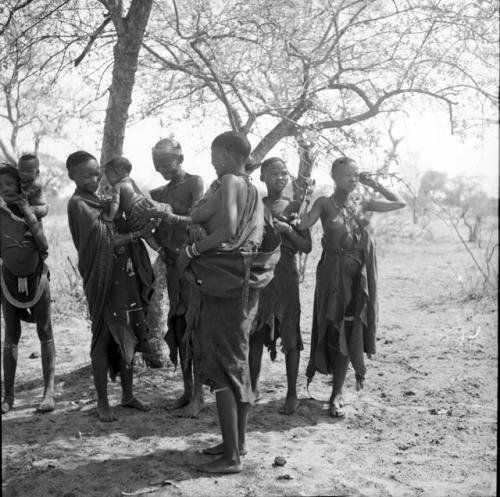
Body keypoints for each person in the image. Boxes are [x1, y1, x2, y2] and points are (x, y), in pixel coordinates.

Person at [177, 131, 279, 474]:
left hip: (227, 283)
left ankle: (232, 457)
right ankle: (236, 442)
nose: (211, 161)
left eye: (212, 154)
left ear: (223, 154)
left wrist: (190, 252)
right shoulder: (254, 189)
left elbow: (229, 231)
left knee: (225, 369)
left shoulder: (232, 181)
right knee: (236, 364)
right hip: (244, 281)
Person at [299, 156, 405, 418]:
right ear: (334, 177)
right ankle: (336, 389)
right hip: (331, 277)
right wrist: (304, 195)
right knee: (332, 329)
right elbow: (302, 224)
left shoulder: (363, 203)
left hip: (357, 278)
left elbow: (399, 202)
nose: (353, 179)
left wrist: (376, 184)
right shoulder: (324, 202)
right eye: (348, 175)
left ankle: (336, 394)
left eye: (357, 175)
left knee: (350, 329)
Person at [66, 151, 154, 422]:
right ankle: (102, 401)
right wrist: (137, 234)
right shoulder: (79, 204)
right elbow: (105, 243)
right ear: (73, 177)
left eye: (96, 173)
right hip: (103, 281)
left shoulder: (99, 199)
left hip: (125, 277)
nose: (94, 179)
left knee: (128, 330)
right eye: (86, 175)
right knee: (104, 338)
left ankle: (127, 395)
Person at [144, 138, 205, 416]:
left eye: (166, 164)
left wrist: (167, 216)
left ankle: (200, 395)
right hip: (171, 267)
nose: (162, 171)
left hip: (193, 265)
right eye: (157, 166)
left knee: (195, 325)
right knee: (179, 324)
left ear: (180, 159)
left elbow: (196, 218)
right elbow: (151, 229)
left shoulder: (195, 183)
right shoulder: (157, 191)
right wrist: (160, 247)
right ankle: (188, 389)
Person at [249, 157, 311, 415]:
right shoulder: (254, 206)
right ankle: (252, 388)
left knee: (290, 333)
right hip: (260, 273)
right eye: (274, 173)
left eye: (284, 173)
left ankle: (292, 394)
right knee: (255, 332)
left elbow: (306, 246)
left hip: (285, 275)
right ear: (262, 177)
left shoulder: (296, 206)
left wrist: (286, 230)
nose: (280, 178)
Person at [0, 165, 55, 414]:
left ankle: (49, 391)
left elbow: (43, 245)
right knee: (11, 335)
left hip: (38, 278)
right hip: (8, 281)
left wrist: (26, 213)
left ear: (20, 187)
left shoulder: (33, 211)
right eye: (0, 187)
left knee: (45, 331)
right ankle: (8, 396)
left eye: (9, 185)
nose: (5, 190)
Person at [102, 156, 161, 251]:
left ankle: (159, 249)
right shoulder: (131, 181)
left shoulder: (117, 186)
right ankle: (160, 249)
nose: (107, 179)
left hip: (135, 212)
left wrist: (110, 217)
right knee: (148, 231)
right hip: (146, 206)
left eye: (107, 175)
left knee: (147, 235)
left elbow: (115, 203)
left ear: (116, 172)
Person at [17, 154, 48, 219]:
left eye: (29, 171)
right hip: (30, 205)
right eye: (21, 170)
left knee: (27, 210)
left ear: (37, 172)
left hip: (41, 207)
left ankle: (34, 228)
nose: (25, 174)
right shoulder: (22, 180)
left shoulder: (36, 183)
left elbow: (24, 195)